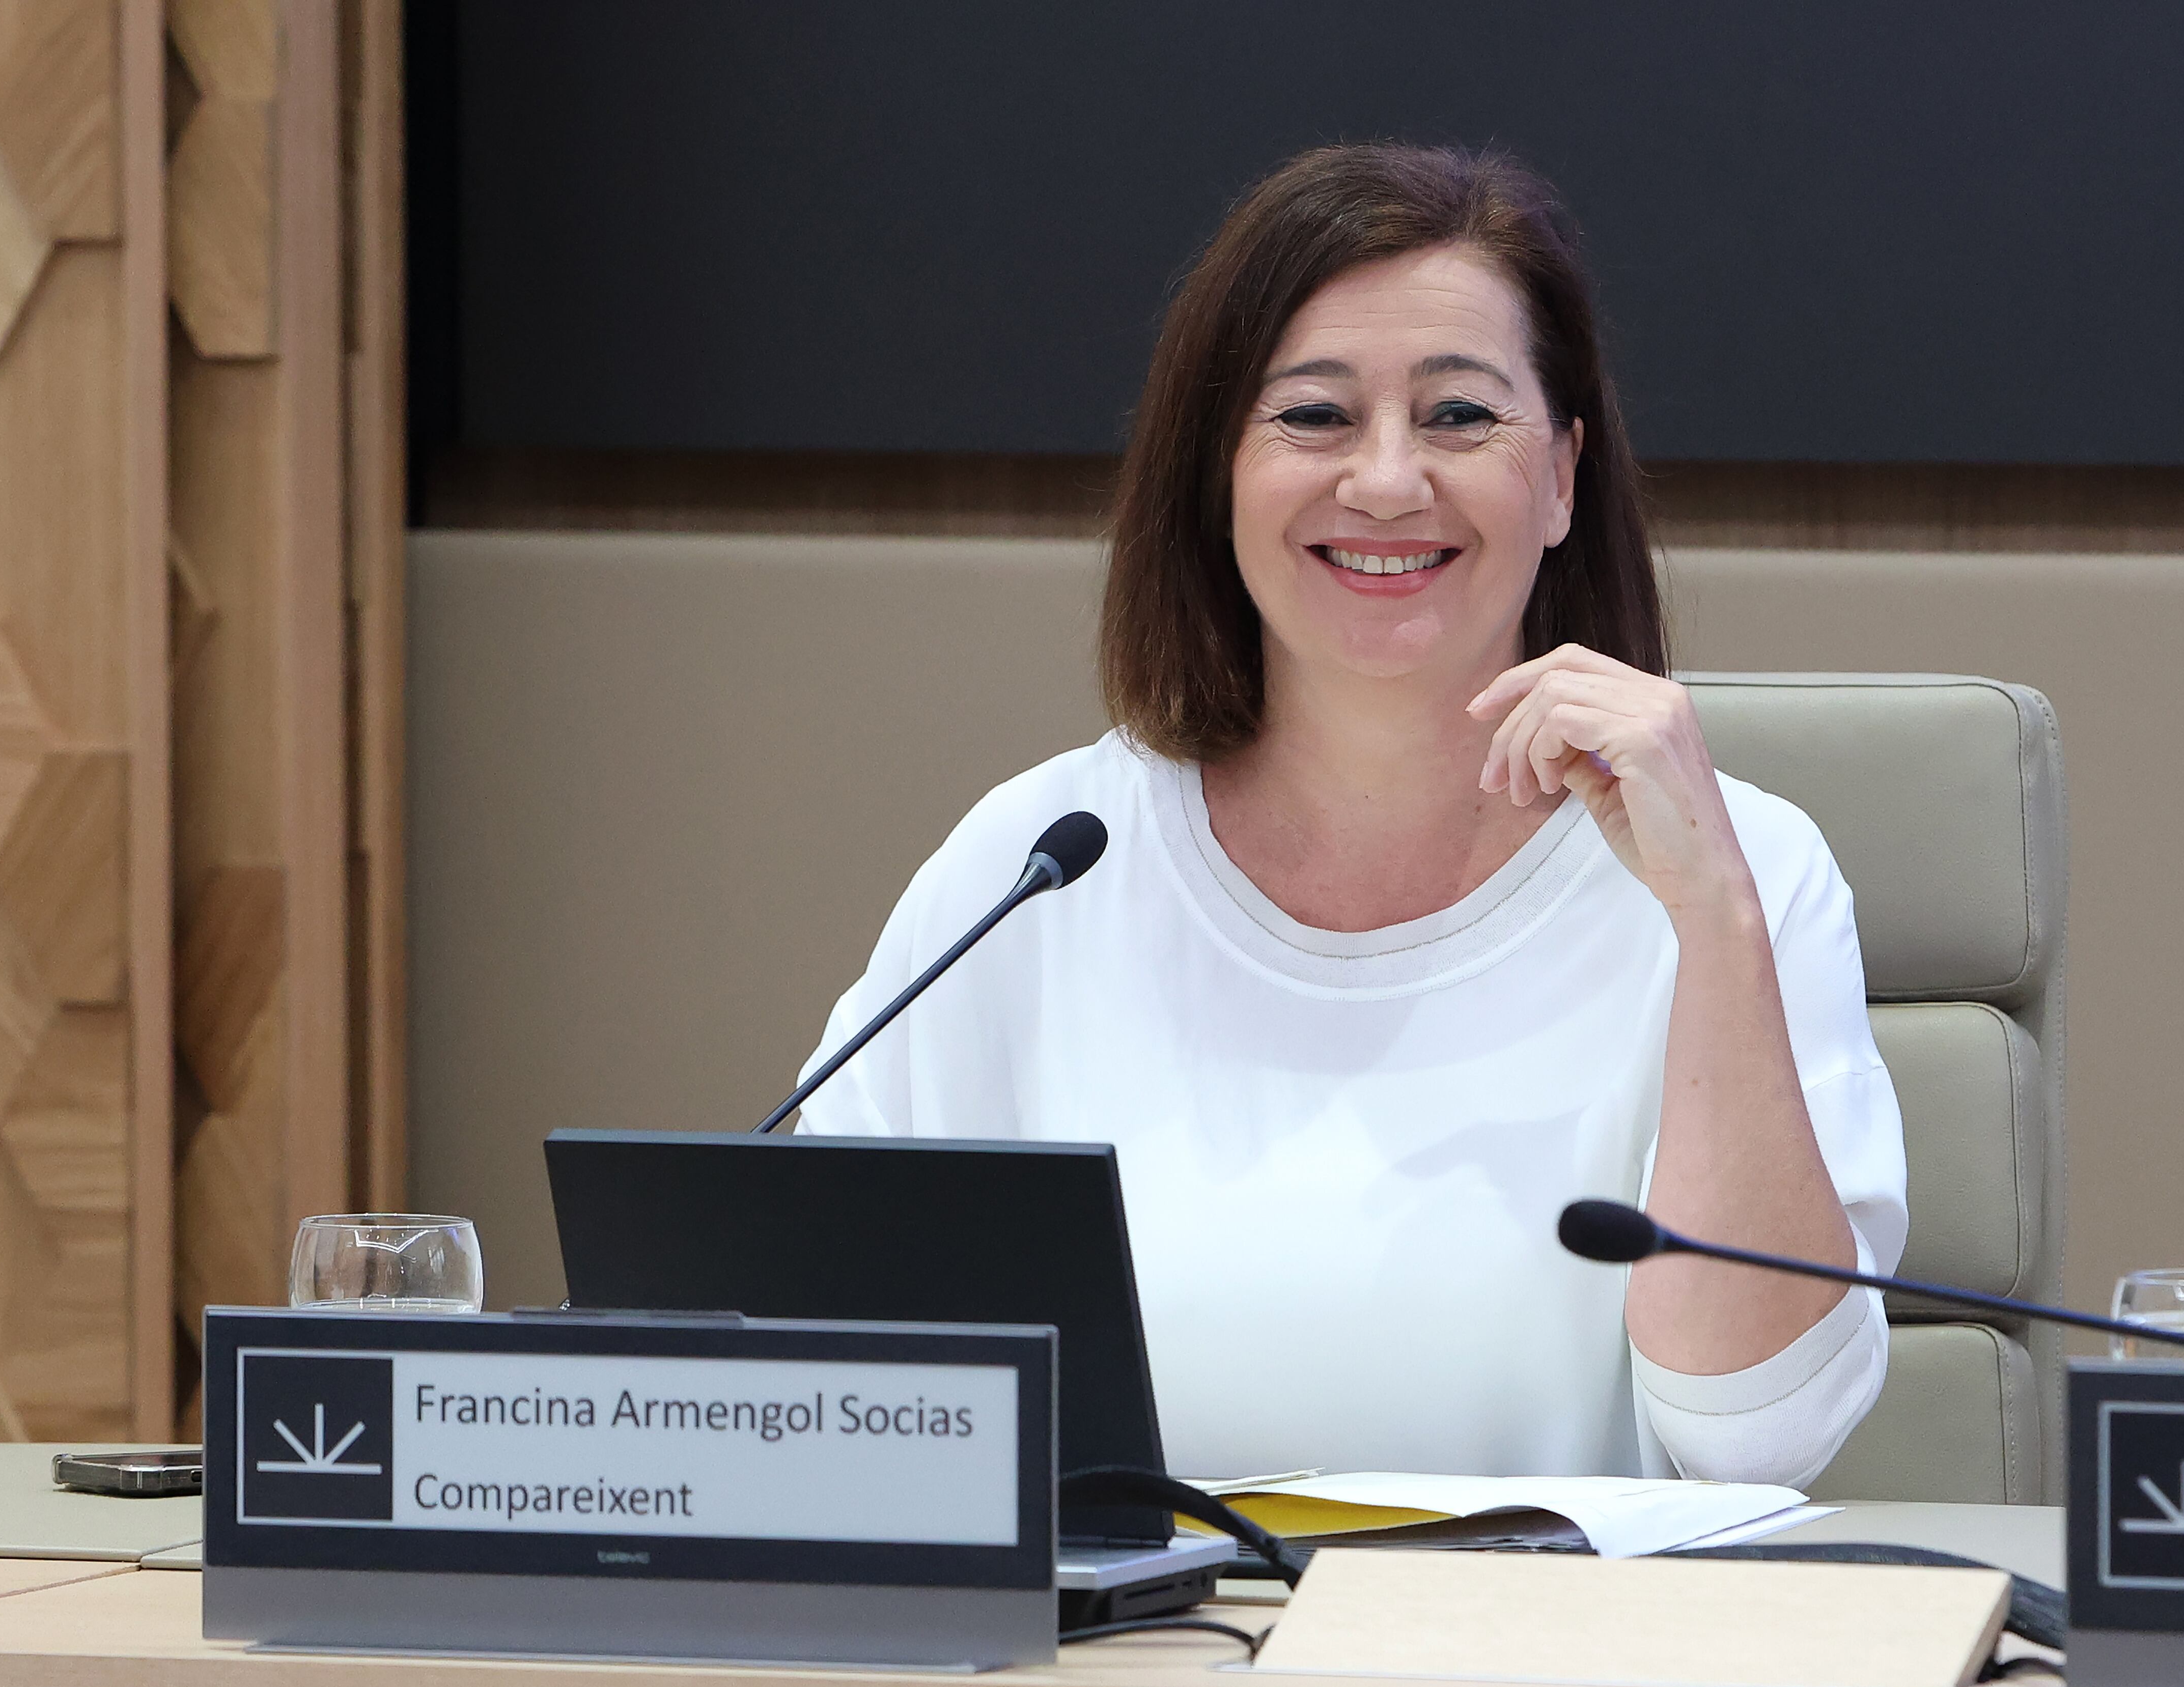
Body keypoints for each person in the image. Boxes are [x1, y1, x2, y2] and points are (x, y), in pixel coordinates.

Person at [798, 143, 1906, 1488]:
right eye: (1315, 417)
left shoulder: (1744, 874)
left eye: (1458, 418)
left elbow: (1762, 1439)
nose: (1386, 482)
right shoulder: (1039, 867)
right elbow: (819, 1368)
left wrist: (1716, 924)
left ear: (1559, 477)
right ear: (1218, 475)